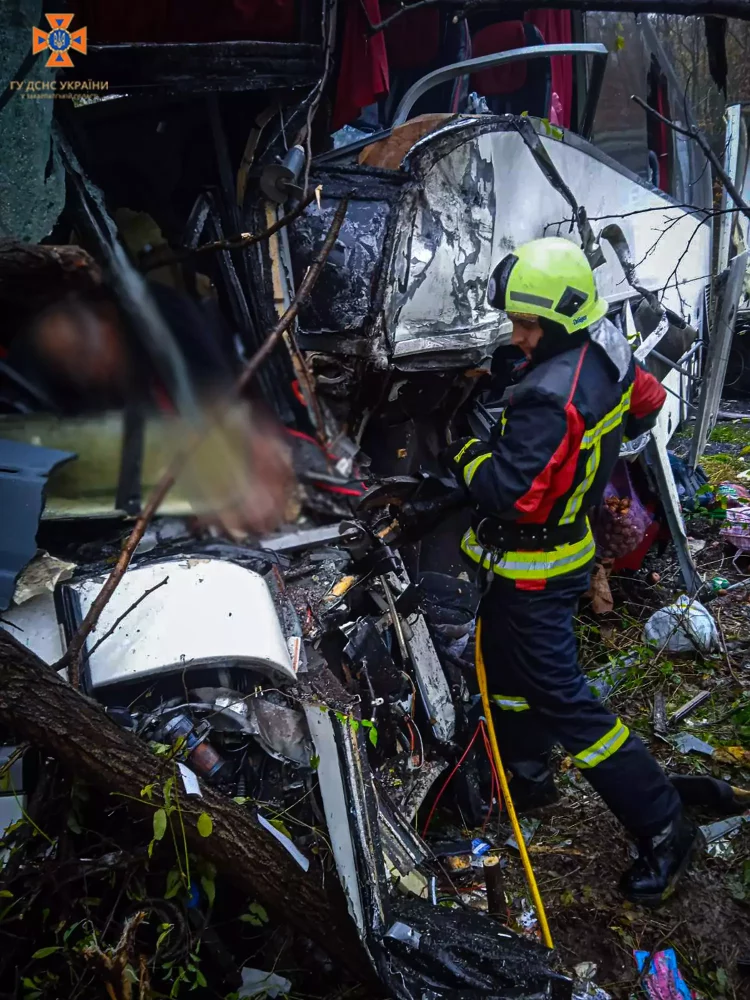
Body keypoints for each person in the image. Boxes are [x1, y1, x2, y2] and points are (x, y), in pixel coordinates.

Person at [443, 237, 701, 905]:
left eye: (528, 327)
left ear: (560, 323)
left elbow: (504, 491)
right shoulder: (608, 344)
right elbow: (646, 403)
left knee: (568, 701)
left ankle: (663, 822)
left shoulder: (548, 398)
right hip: (559, 553)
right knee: (507, 676)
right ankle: (527, 774)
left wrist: (464, 445)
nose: (519, 338)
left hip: (535, 567)